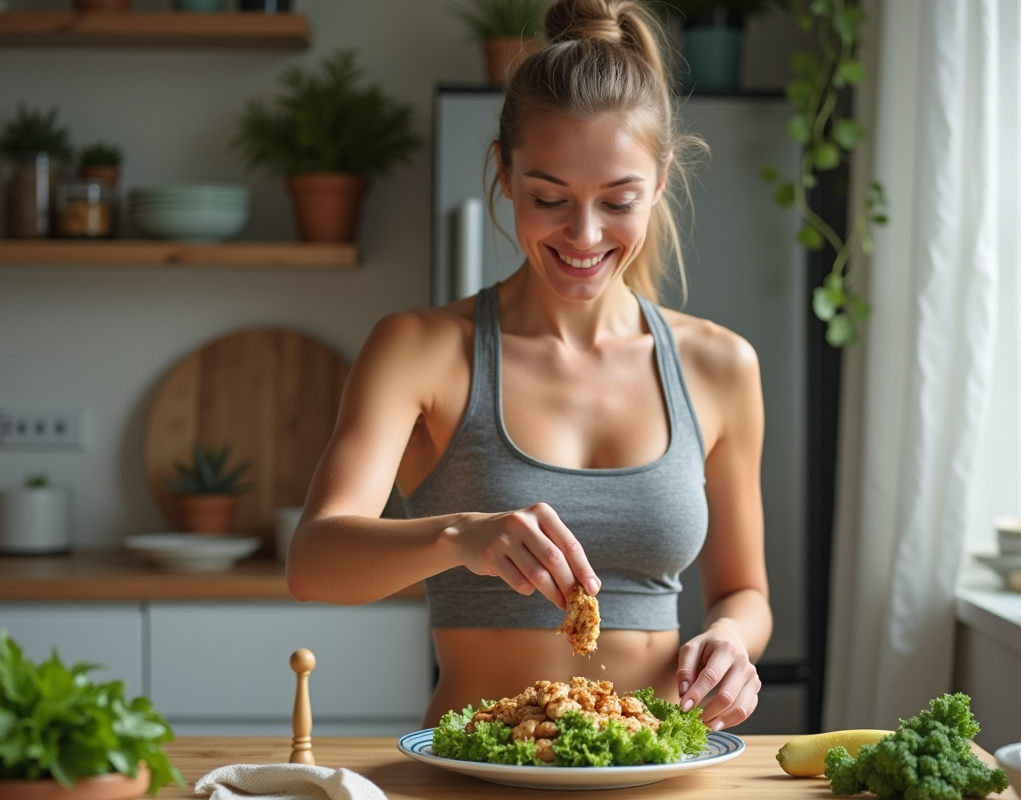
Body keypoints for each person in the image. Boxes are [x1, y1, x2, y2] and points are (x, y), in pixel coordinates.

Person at [286, 0, 771, 734]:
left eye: (618, 201)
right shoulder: (419, 349)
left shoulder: (721, 365)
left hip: (650, 771)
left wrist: (732, 641)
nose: (584, 235)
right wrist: (460, 537)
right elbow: (313, 562)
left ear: (661, 181)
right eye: (550, 198)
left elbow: (745, 591)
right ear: (504, 174)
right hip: (474, 775)